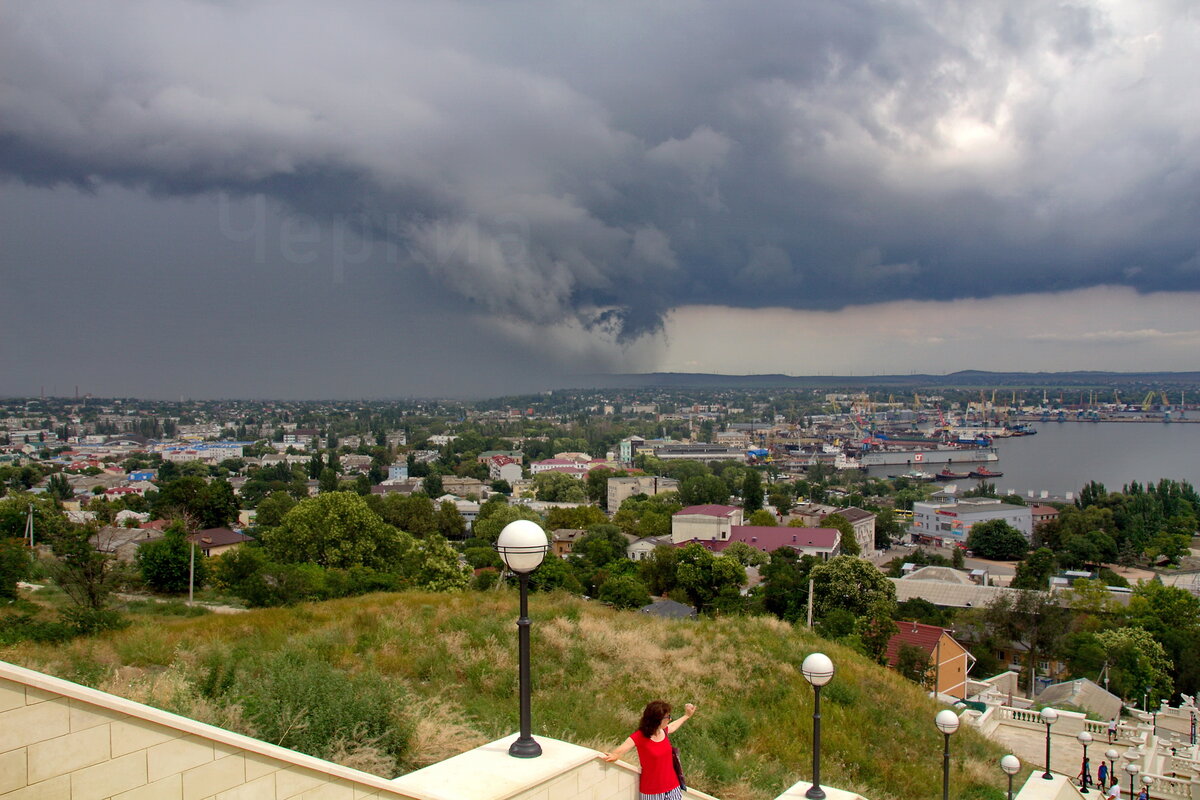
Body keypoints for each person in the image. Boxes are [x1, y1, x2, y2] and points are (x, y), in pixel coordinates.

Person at [601, 700, 697, 800]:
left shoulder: (663, 731)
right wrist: (614, 754)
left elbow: (672, 726)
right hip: (652, 792)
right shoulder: (640, 736)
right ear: (657, 719)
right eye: (667, 717)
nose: (670, 719)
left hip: (673, 788)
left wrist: (687, 716)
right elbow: (625, 746)